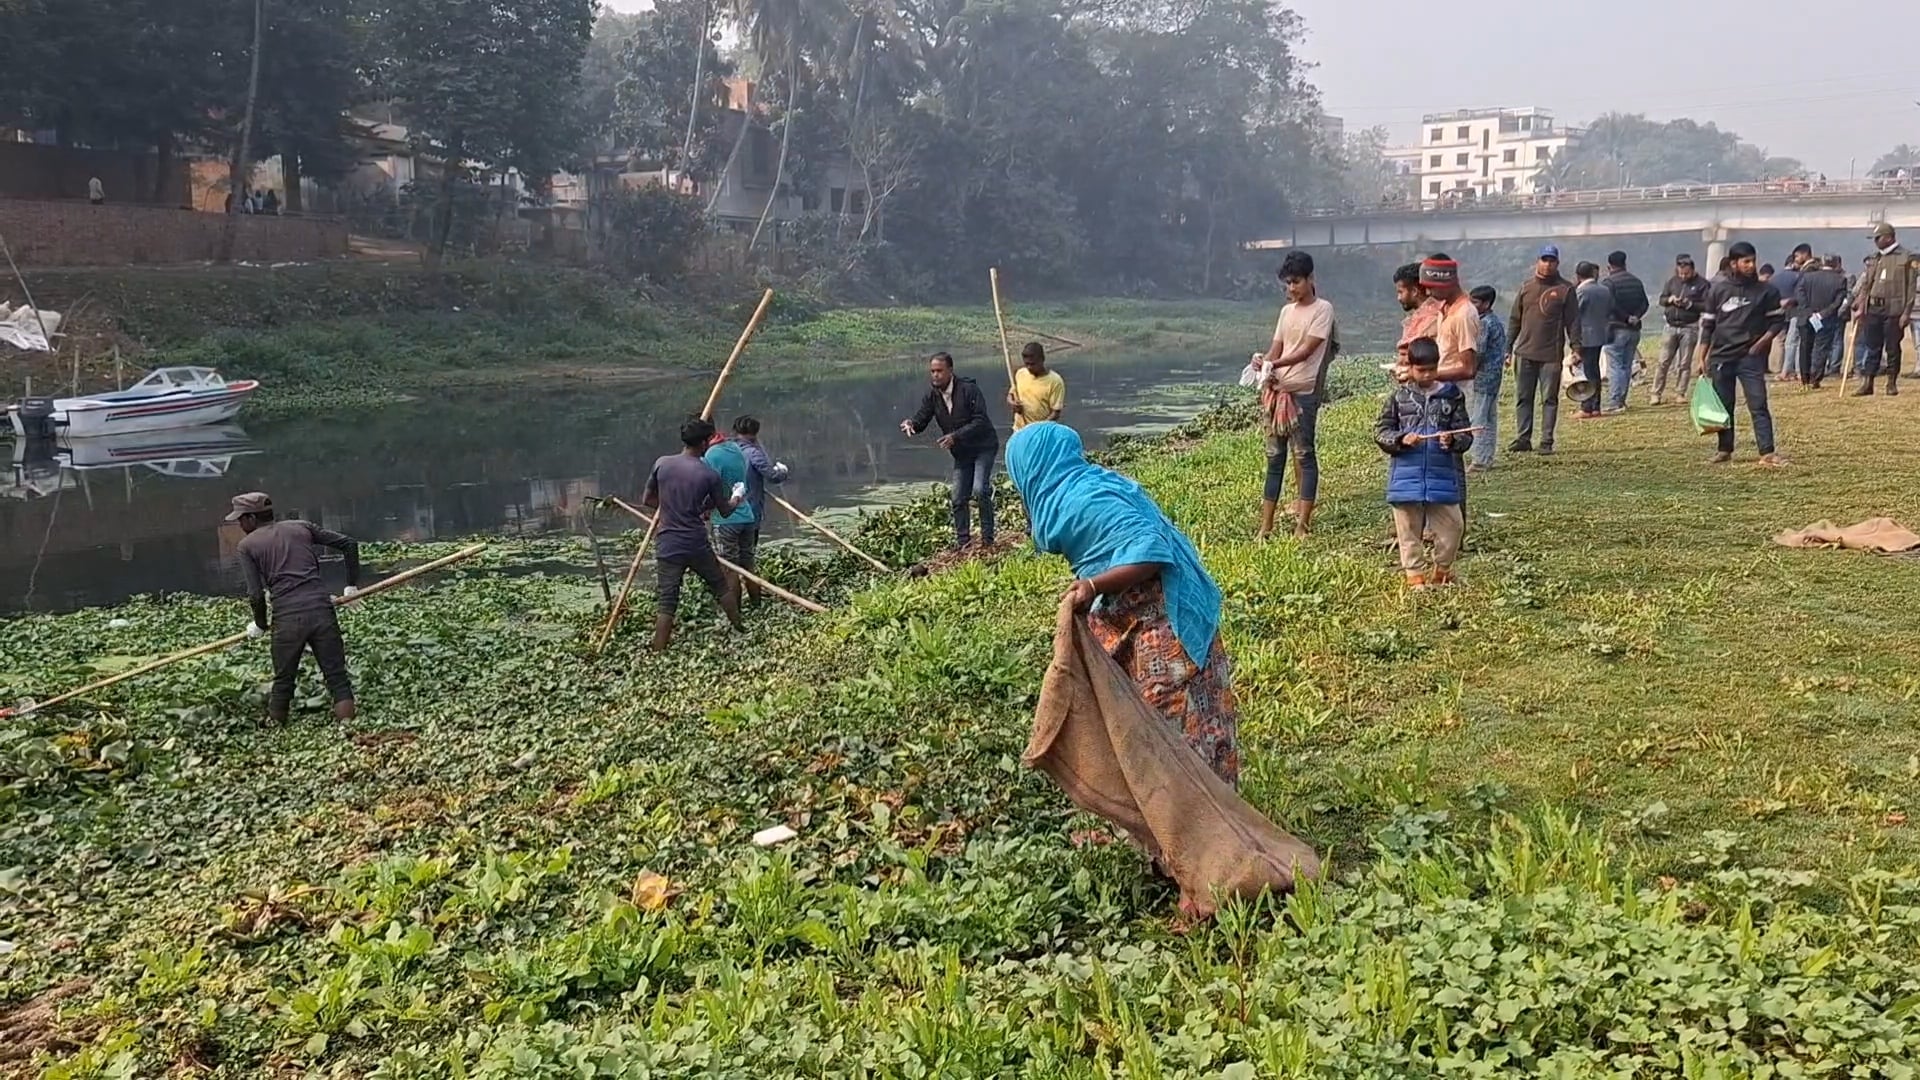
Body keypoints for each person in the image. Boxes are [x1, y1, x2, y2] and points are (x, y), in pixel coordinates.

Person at [1006, 421, 1240, 786]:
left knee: (1166, 720)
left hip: (1167, 618)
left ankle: (1191, 821)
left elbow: (1152, 550)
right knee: (1172, 718)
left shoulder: (1080, 501)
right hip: (1152, 609)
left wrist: (1092, 585)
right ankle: (1199, 809)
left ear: (1032, 467)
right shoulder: (1084, 487)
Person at [228, 491, 361, 725]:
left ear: (250, 518)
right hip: (321, 610)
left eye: (240, 519)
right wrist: (351, 586)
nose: (239, 524)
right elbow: (349, 544)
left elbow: (255, 594)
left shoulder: (247, 545)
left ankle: (277, 731)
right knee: (337, 679)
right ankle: (347, 728)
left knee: (283, 682)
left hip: (287, 619)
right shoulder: (302, 527)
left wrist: (259, 624)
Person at [1374, 338, 1473, 589]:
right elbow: (1381, 432)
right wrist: (1401, 439)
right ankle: (1414, 576)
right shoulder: (1398, 398)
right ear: (1410, 367)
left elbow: (1466, 434)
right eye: (1421, 370)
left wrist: (1452, 440)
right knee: (1408, 530)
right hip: (1406, 476)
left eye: (1432, 369)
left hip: (1442, 474)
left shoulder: (1452, 396)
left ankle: (1442, 571)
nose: (1427, 375)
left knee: (1453, 527)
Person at [643, 417, 747, 651]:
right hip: (695, 543)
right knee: (720, 586)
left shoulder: (662, 463)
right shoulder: (708, 475)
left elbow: (648, 500)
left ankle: (658, 651)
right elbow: (725, 510)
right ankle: (740, 628)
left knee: (667, 602)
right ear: (702, 443)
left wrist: (672, 507)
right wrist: (737, 497)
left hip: (668, 542)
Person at [1256, 250, 1335, 539]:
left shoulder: (1323, 309)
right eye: (1288, 283)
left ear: (1311, 279)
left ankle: (1302, 524)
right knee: (1274, 457)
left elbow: (1307, 351)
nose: (1292, 289)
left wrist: (1274, 363)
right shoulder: (1286, 312)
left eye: (1296, 282)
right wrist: (1264, 360)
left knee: (1304, 454)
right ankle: (1266, 525)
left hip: (1302, 391)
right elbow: (1276, 348)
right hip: (1277, 391)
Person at [1696, 242, 1787, 467]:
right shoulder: (1717, 290)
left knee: (1758, 403)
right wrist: (1702, 356)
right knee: (1724, 406)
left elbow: (1777, 321)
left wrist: (1762, 343)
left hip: (1750, 357)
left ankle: (1767, 452)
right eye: (1745, 261)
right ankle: (1724, 450)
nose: (1751, 265)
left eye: (1753, 260)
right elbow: (1707, 325)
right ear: (1733, 263)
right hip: (1721, 356)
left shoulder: (1767, 291)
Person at [902, 352, 999, 549]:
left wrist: (955, 436)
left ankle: (988, 540)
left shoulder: (969, 390)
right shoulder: (933, 395)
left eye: (939, 371)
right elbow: (923, 418)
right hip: (962, 453)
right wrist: (912, 423)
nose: (935, 375)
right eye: (932, 371)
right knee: (957, 498)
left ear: (950, 371)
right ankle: (964, 543)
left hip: (983, 447)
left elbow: (980, 420)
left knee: (980, 490)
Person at [1507, 244, 1578, 454]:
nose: (1547, 264)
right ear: (1537, 261)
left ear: (1557, 263)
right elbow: (1514, 320)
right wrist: (1507, 348)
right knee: (1523, 398)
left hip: (1551, 355)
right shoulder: (1526, 287)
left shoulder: (1566, 289)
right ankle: (1523, 438)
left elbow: (1573, 321)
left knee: (1549, 399)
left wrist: (1576, 347)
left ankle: (1546, 441)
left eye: (1551, 261)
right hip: (1524, 353)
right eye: (1544, 260)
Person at [1851, 223, 1917, 396]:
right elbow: (1866, 284)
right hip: (1874, 309)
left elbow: (1910, 288)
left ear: (1888, 237)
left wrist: (1906, 312)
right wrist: (1861, 306)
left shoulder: (1907, 257)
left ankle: (1891, 383)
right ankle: (1868, 383)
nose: (1875, 242)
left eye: (1878, 238)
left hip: (1894, 310)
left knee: (1892, 347)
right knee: (1872, 347)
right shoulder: (1874, 258)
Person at [703, 428, 761, 603]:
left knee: (729, 569)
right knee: (748, 565)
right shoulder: (735, 448)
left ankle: (736, 614)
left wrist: (702, 509)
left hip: (726, 519)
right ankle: (757, 604)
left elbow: (710, 489)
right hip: (746, 515)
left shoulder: (711, 456)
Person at [1652, 254, 1710, 405]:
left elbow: (1708, 305)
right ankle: (1656, 393)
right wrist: (1670, 300)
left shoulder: (1702, 284)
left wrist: (1690, 304)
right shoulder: (1672, 282)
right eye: (1681, 273)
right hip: (1670, 326)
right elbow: (1662, 299)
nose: (1683, 276)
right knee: (1663, 362)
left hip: (1689, 327)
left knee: (1684, 363)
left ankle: (1680, 392)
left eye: (1686, 273)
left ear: (1693, 270)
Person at [1601, 251, 1648, 413]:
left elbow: (1610, 304)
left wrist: (1626, 317)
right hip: (1634, 330)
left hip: (1616, 329)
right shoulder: (1636, 281)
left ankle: (1615, 401)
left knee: (1615, 366)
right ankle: (1622, 399)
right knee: (1627, 366)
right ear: (1625, 263)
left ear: (1609, 266)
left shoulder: (1609, 283)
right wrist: (1635, 317)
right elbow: (1645, 303)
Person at [1466, 285, 1506, 473]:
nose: (1471, 305)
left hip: (1483, 376)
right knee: (1489, 418)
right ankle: (1486, 457)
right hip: (1494, 376)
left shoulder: (1484, 323)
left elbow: (1479, 351)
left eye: (1475, 302)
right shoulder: (1495, 320)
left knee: (1479, 418)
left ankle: (1479, 460)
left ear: (1486, 304)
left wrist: (1468, 368)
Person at [1793, 253, 1848, 390]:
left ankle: (1804, 377)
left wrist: (1808, 312)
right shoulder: (1840, 280)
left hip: (1805, 318)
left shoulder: (1807, 277)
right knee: (1821, 348)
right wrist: (1822, 314)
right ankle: (1815, 378)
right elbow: (1838, 302)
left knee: (1805, 347)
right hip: (1826, 319)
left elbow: (1800, 295)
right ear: (1836, 264)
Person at [1573, 261, 1611, 418]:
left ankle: (1586, 406)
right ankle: (1596, 406)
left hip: (1585, 336)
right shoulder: (1604, 290)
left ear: (1578, 275)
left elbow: (1575, 314)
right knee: (1594, 370)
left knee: (1587, 372)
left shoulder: (1582, 291)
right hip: (1600, 333)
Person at [1009, 342, 1066, 430]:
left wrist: (1039, 429)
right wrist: (1012, 403)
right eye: (1026, 364)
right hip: (1019, 430)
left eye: (1032, 364)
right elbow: (1011, 395)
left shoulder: (1055, 381)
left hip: (1041, 432)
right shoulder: (1020, 374)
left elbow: (1055, 413)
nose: (1029, 367)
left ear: (1042, 359)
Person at [1394, 262, 1440, 367]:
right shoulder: (1418, 316)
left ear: (1414, 291)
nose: (1399, 298)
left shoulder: (1432, 318)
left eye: (1400, 292)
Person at [1770, 249, 1807, 383]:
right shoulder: (1798, 277)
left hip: (1778, 311)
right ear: (1792, 263)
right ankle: (1791, 370)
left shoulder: (1774, 278)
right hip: (1794, 311)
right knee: (1794, 341)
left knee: (1780, 341)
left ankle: (1778, 367)